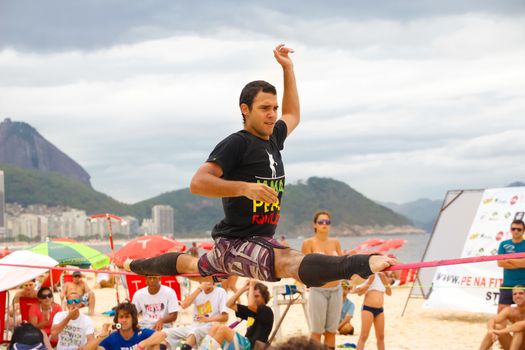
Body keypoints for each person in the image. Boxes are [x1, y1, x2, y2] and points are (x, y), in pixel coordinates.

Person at [123, 44, 396, 289]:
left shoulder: (274, 138)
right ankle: (358, 265)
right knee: (290, 262)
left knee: (192, 266)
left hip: (257, 241)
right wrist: (244, 188)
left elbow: (293, 114)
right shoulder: (237, 143)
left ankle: (133, 266)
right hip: (236, 243)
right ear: (245, 109)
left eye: (274, 108)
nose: (272, 114)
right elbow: (198, 183)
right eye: (265, 108)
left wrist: (288, 69)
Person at [301, 211, 343, 350]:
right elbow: (303, 268)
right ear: (315, 225)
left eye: (327, 222)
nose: (324, 224)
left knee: (332, 331)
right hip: (318, 290)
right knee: (316, 331)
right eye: (321, 222)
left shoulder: (335, 242)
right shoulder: (308, 243)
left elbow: (342, 265)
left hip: (336, 290)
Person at [201, 279, 274, 349]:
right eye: (252, 296)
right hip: (245, 345)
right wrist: (244, 288)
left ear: (264, 297)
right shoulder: (251, 312)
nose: (254, 299)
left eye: (257, 296)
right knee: (215, 327)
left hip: (252, 347)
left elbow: (251, 305)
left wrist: (252, 286)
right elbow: (229, 304)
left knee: (223, 329)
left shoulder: (267, 310)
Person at [165, 281, 228, 349]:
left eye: (208, 279)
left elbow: (225, 317)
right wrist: (199, 289)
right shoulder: (198, 291)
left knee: (194, 332)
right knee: (165, 332)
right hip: (193, 326)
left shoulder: (220, 292)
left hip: (210, 327)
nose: (207, 281)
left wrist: (207, 319)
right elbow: (184, 305)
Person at [84, 302, 167, 350]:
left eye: (127, 317)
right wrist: (101, 337)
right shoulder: (112, 337)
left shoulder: (141, 333)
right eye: (121, 317)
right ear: (117, 319)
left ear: (133, 319)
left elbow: (162, 334)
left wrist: (142, 344)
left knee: (154, 344)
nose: (123, 320)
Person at [479, 285, 525, 350]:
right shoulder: (510, 310)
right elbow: (492, 320)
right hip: (517, 345)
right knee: (496, 327)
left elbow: (520, 326)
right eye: (514, 294)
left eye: (521, 293)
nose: (517, 296)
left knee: (518, 331)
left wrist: (500, 332)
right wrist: (490, 330)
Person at [354, 272, 392, 350]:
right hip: (368, 309)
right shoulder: (367, 275)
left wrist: (384, 281)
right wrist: (369, 282)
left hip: (380, 310)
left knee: (381, 336)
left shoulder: (383, 276)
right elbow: (359, 293)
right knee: (364, 335)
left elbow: (389, 293)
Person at [497, 219, 525, 313]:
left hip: (524, 285)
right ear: (510, 230)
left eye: (519, 229)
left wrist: (509, 260)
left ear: (523, 231)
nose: (516, 231)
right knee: (501, 312)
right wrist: (520, 262)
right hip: (508, 284)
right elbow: (500, 263)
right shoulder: (504, 244)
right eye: (513, 229)